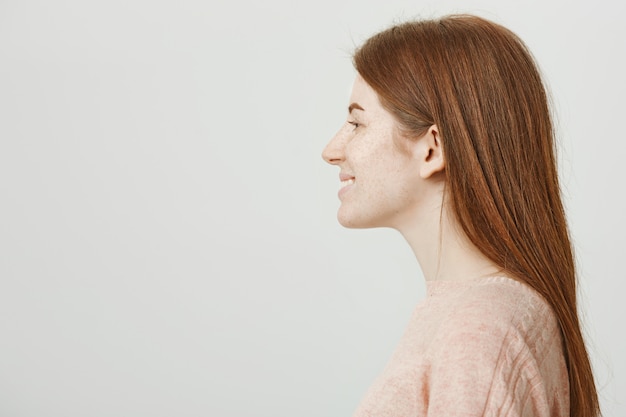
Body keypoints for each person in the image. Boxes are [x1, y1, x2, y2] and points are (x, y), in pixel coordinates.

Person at [322, 14, 600, 417]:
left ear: (432, 149)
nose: (331, 150)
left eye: (355, 122)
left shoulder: (478, 330)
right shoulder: (480, 315)